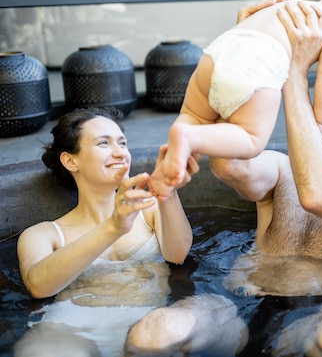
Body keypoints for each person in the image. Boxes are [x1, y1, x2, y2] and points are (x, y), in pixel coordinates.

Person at [126, 0, 322, 356]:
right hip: (235, 302)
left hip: (319, 312)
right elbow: (228, 166)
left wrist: (293, 67)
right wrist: (245, 54)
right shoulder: (280, 169)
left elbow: (321, 195)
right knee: (154, 332)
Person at [149, 0, 322, 201]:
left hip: (217, 51)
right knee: (252, 138)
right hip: (255, 63)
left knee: (193, 115)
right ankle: (188, 136)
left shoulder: (289, 7)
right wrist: (318, 119)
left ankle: (166, 169)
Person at [14, 107, 197, 357]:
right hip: (69, 333)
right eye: (104, 143)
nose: (120, 152)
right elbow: (39, 286)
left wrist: (168, 190)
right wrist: (114, 227)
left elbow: (177, 254)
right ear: (71, 161)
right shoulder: (44, 234)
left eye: (123, 143)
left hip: (148, 327)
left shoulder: (148, 209)